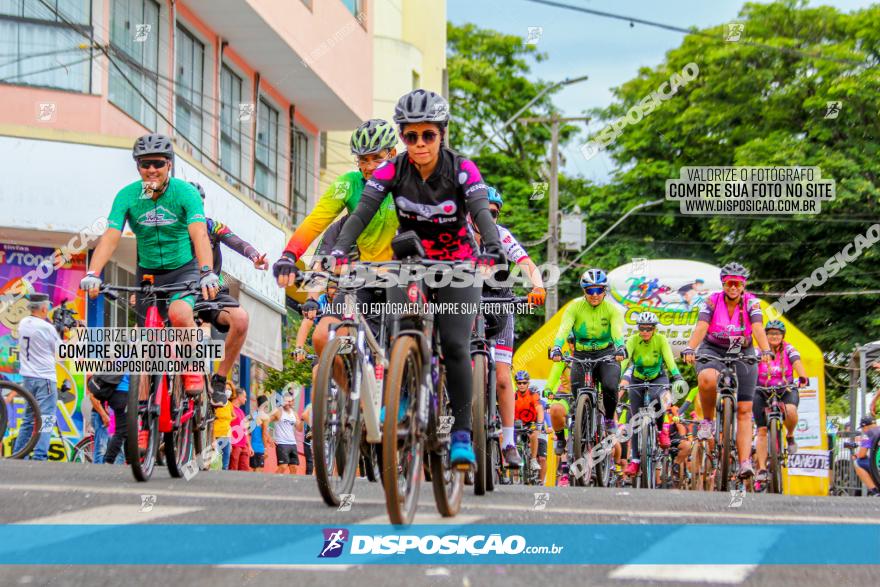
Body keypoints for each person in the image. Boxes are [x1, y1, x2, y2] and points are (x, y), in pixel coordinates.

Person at [328, 89, 505, 465]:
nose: (420, 143)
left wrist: (492, 247)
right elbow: (361, 213)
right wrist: (341, 248)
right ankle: (403, 395)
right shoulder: (393, 170)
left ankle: (459, 434)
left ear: (442, 134)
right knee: (401, 331)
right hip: (411, 261)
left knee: (457, 347)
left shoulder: (462, 169)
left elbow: (480, 213)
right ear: (402, 139)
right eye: (411, 136)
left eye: (428, 135)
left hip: (458, 264)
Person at [80, 134, 220, 399]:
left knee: (179, 314)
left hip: (183, 269)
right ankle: (142, 419)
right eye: (145, 164)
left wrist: (206, 271)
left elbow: (199, 234)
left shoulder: (185, 192)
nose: (151, 170)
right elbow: (111, 236)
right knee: (145, 350)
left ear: (169, 164)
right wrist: (92, 273)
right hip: (148, 273)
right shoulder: (129, 196)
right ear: (137, 167)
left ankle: (191, 365)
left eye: (157, 163)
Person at [272, 119, 400, 357]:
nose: (369, 166)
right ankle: (347, 390)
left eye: (376, 158)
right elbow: (314, 224)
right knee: (323, 337)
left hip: (402, 275)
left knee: (401, 343)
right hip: (362, 277)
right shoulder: (347, 191)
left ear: (392, 154)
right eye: (363, 160)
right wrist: (289, 256)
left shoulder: (405, 181)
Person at [470, 187, 546, 468]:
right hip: (468, 304)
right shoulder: (461, 235)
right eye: (482, 212)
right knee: (461, 367)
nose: (488, 218)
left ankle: (509, 442)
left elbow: (526, 262)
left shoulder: (502, 235)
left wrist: (537, 285)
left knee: (502, 378)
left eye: (494, 214)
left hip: (500, 304)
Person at [682, 262, 773, 480]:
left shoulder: (752, 302)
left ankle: (744, 462)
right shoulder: (711, 301)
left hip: (742, 349)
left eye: (738, 284)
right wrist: (690, 348)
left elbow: (758, 327)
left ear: (744, 285)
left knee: (744, 410)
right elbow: (702, 327)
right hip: (713, 347)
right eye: (729, 283)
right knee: (707, 379)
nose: (733, 287)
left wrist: (766, 350)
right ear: (723, 284)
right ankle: (708, 421)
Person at [189, 182, 268, 407]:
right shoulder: (169, 228)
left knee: (241, 319)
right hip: (177, 294)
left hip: (210, 294)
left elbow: (236, 241)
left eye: (197, 204)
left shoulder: (212, 226)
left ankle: (220, 379)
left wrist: (254, 256)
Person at [548, 268, 626, 438]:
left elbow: (617, 331)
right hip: (581, 355)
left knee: (610, 387)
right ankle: (580, 420)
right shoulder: (574, 308)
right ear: (584, 291)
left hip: (607, 353)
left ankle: (609, 420)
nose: (595, 294)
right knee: (577, 393)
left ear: (605, 291)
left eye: (599, 290)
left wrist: (620, 347)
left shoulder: (612, 310)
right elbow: (564, 329)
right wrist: (557, 347)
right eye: (590, 290)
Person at [618, 311, 685, 478]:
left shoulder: (661, 339)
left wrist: (676, 375)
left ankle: (662, 430)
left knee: (659, 399)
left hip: (658, 376)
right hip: (638, 377)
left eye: (649, 329)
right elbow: (625, 360)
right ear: (638, 328)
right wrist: (617, 377)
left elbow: (669, 359)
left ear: (654, 329)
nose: (645, 332)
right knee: (635, 419)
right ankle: (635, 461)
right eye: (642, 328)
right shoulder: (633, 340)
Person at [753, 319, 809, 490]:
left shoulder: (789, 348)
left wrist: (803, 376)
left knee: (791, 410)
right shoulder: (758, 350)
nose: (773, 336)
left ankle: (790, 436)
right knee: (762, 430)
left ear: (782, 336)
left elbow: (797, 362)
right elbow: (749, 366)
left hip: (786, 389)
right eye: (770, 334)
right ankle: (762, 469)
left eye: (777, 334)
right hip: (761, 390)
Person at [12, 293, 62, 460]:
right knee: (46, 418)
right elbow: (61, 353)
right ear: (43, 308)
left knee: (28, 418)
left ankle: (19, 454)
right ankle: (40, 455)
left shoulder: (24, 323)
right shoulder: (47, 327)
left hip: (28, 378)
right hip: (45, 379)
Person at [513, 371, 544, 474]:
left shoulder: (533, 395)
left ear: (528, 383)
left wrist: (539, 424)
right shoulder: (513, 396)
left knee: (533, 434)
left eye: (524, 383)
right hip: (517, 423)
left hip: (531, 423)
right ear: (516, 384)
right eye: (519, 383)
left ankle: (533, 460)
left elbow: (539, 409)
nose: (521, 385)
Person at [271, 392, 303, 474]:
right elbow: (265, 422)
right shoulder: (278, 411)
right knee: (283, 466)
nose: (289, 403)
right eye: (287, 401)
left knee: (294, 468)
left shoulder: (294, 414)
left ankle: (291, 486)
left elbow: (299, 429)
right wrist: (270, 437)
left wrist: (303, 420)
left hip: (292, 443)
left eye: (290, 401)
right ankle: (271, 482)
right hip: (282, 443)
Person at [101, 375, 129, 465]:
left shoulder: (119, 360)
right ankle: (108, 460)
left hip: (116, 395)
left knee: (128, 432)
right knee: (121, 431)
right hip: (123, 394)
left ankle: (130, 461)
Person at [852, 415, 879, 496]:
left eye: (862, 428)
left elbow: (862, 454)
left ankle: (875, 490)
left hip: (878, 464)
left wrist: (856, 456)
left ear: (865, 426)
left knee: (858, 462)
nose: (863, 430)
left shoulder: (868, 434)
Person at [229, 387, 253, 471]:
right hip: (234, 446)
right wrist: (229, 444)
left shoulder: (241, 412)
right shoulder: (229, 408)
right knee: (233, 469)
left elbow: (245, 431)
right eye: (244, 396)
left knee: (245, 470)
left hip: (244, 446)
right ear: (238, 396)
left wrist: (249, 446)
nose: (246, 399)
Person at [213, 382, 234, 469]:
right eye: (226, 389)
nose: (228, 391)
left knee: (225, 463)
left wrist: (231, 440)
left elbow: (230, 420)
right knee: (215, 461)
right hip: (216, 435)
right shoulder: (215, 403)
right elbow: (212, 420)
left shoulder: (230, 404)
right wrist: (212, 438)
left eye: (229, 389)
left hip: (227, 436)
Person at [250, 395, 271, 472]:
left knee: (255, 470)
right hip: (259, 447)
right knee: (259, 471)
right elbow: (264, 433)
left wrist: (269, 438)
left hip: (253, 445)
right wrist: (265, 448)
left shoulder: (253, 415)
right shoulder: (265, 417)